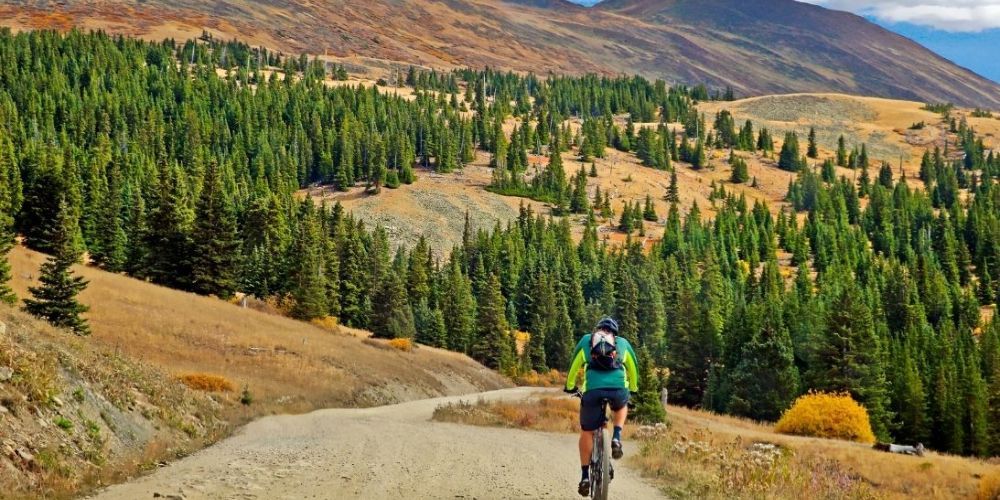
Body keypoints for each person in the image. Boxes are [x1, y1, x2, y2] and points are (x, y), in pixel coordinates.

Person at [564, 317, 638, 497]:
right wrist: (633, 388)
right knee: (621, 406)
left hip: (593, 391)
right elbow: (633, 368)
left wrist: (570, 386)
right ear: (615, 333)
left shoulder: (586, 341)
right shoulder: (623, 343)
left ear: (598, 330)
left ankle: (584, 477)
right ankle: (616, 437)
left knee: (587, 431)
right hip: (618, 389)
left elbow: (574, 366)